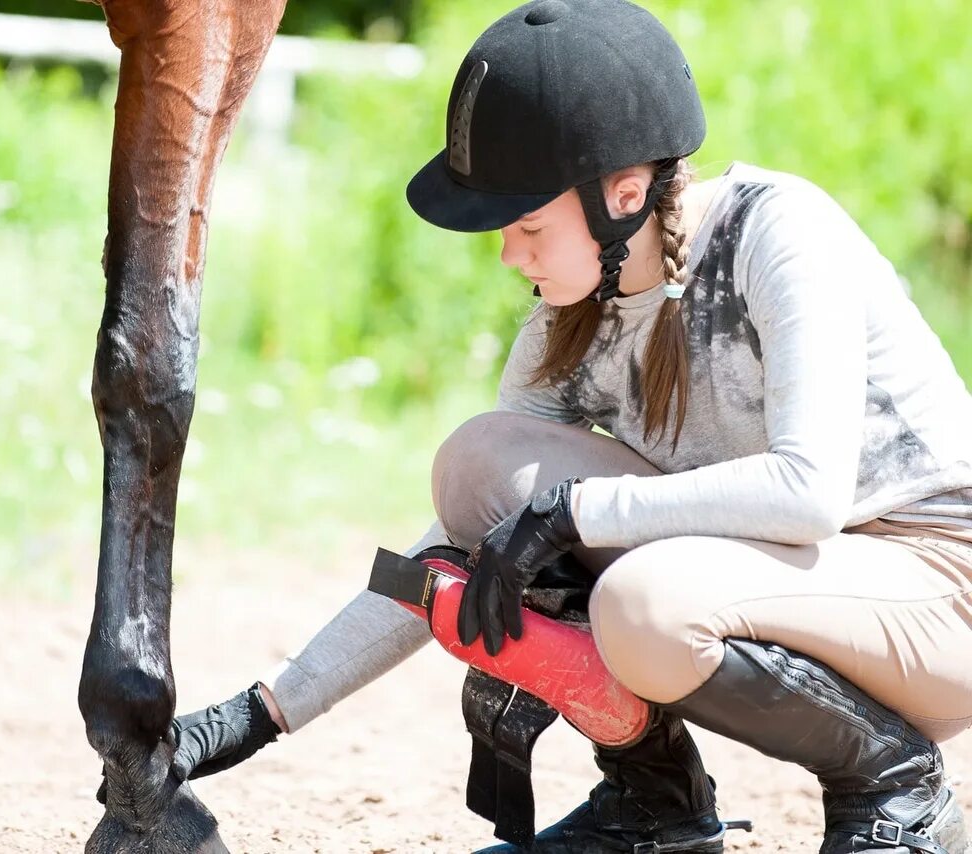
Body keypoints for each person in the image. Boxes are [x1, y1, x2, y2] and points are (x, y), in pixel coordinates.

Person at [166, 1, 972, 851]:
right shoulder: (571, 315)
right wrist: (268, 710)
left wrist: (576, 512)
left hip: (939, 593)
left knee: (643, 604)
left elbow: (808, 496)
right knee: (481, 470)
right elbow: (462, 540)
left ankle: (896, 788)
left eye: (528, 226)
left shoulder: (780, 233)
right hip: (787, 576)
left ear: (623, 193)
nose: (512, 256)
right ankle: (653, 807)